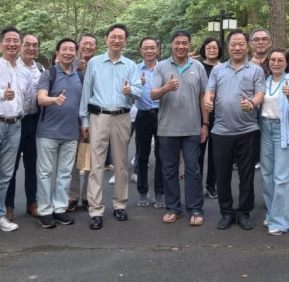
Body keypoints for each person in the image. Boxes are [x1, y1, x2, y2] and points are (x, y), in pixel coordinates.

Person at [79, 23, 141, 229]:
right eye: (113, 36)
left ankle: (120, 204)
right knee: (96, 164)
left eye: (121, 37)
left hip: (122, 117)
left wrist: (131, 90)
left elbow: (139, 90)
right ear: (106, 39)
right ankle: (95, 209)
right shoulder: (94, 63)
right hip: (99, 117)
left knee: (121, 163)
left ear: (125, 41)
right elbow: (86, 92)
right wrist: (84, 120)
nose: (116, 40)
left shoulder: (130, 65)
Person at [202, 30, 265, 230]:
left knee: (247, 175)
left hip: (248, 130)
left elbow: (260, 93)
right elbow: (209, 91)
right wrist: (208, 100)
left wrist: (252, 103)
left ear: (247, 46)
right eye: (233, 44)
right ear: (228, 47)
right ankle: (227, 213)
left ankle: (244, 212)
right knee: (222, 175)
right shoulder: (218, 70)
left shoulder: (256, 70)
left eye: (241, 44)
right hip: (221, 131)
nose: (237, 48)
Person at [0, 26, 34, 234]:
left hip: (16, 125)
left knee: (5, 175)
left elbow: (28, 98)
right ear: (0, 44)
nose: (12, 44)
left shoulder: (25, 72)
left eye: (16, 40)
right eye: (8, 40)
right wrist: (3, 94)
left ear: (20, 45)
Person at [151, 30, 209, 226]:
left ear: (189, 45)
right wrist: (166, 88)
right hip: (167, 128)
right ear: (172, 44)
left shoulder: (198, 66)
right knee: (169, 170)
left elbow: (203, 96)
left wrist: (205, 123)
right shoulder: (161, 66)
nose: (181, 46)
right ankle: (173, 208)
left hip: (192, 127)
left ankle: (195, 208)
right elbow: (152, 94)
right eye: (177, 43)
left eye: (185, 43)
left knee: (193, 169)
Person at [36, 39, 83, 228]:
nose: (68, 52)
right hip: (48, 132)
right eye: (64, 49)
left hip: (71, 133)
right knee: (45, 173)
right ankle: (44, 211)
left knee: (65, 173)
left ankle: (60, 208)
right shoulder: (49, 73)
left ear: (75, 53)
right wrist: (54, 100)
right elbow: (41, 98)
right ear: (57, 52)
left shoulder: (79, 75)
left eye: (72, 49)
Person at [259, 48, 289, 235]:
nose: (276, 63)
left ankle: (281, 221)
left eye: (280, 60)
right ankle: (272, 213)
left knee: (282, 177)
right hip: (265, 129)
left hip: (283, 130)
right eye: (273, 60)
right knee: (266, 175)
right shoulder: (265, 81)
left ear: (287, 63)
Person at [7, 33, 45, 219]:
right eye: (27, 44)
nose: (31, 48)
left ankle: (32, 202)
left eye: (35, 45)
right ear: (21, 46)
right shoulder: (12, 67)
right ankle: (8, 205)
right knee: (11, 166)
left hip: (35, 121)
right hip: (17, 121)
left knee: (32, 164)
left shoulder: (40, 69)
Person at [67, 33, 102, 212]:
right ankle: (72, 195)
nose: (88, 47)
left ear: (96, 47)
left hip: (95, 116)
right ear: (79, 46)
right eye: (85, 43)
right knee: (72, 158)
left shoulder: (100, 64)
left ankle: (88, 195)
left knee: (93, 157)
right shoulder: (69, 63)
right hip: (71, 118)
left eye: (91, 44)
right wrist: (76, 70)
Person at [134, 37, 165, 208]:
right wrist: (137, 86)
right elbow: (129, 93)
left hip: (163, 114)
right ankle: (142, 191)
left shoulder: (164, 68)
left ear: (157, 50)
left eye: (152, 47)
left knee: (162, 155)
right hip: (143, 115)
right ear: (141, 51)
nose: (149, 51)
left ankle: (160, 192)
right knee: (142, 155)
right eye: (145, 48)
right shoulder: (135, 69)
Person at [197, 37, 222, 199]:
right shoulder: (198, 67)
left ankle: (211, 185)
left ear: (219, 50)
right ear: (204, 50)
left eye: (214, 47)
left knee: (216, 154)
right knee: (198, 153)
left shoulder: (224, 67)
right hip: (199, 115)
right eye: (208, 48)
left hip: (219, 115)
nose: (211, 50)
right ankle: (196, 186)